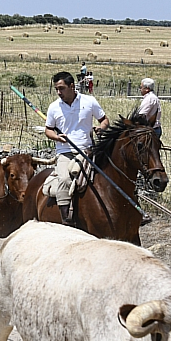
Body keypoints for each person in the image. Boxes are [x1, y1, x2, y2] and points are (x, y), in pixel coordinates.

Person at [44, 71, 109, 225]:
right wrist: (57, 137)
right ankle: (66, 218)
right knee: (64, 179)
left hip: (87, 150)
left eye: (61, 88)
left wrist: (101, 128)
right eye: (56, 89)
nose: (59, 92)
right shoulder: (54, 107)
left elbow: (104, 120)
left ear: (72, 86)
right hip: (65, 152)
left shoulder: (89, 101)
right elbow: (48, 130)